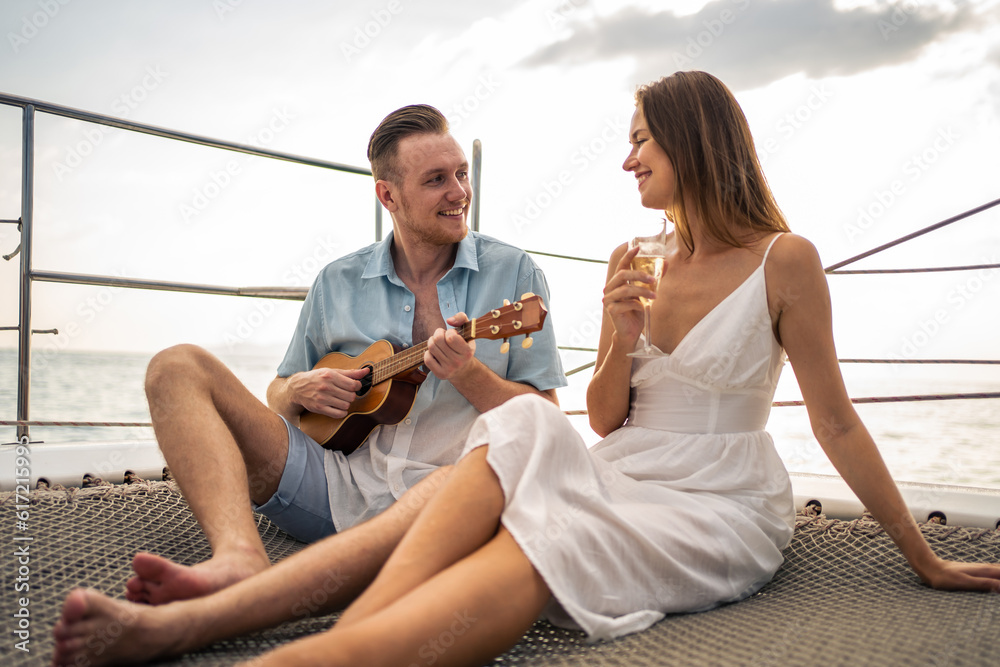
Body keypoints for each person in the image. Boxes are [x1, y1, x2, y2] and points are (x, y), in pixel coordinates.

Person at [52, 72, 1000, 667]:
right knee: (531, 436)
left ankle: (293, 645)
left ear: (691, 141)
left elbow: (833, 422)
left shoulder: (781, 259)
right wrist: (619, 334)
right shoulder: (643, 258)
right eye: (437, 179)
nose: (627, 158)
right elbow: (608, 413)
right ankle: (266, 600)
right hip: (584, 465)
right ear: (387, 194)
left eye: (640, 139)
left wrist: (919, 552)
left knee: (528, 480)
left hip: (707, 486)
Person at [123, 103, 566, 606]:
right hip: (335, 485)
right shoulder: (337, 280)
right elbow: (278, 396)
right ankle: (237, 556)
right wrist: (297, 389)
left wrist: (470, 376)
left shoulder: (513, 275)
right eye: (437, 179)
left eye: (462, 174)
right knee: (175, 365)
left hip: (451, 502)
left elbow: (545, 420)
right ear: (388, 195)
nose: (460, 192)